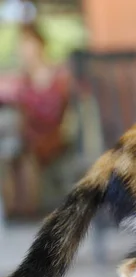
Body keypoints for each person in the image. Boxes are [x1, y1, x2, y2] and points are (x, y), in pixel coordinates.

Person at [0, 23, 71, 218]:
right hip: (27, 134)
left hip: (50, 134)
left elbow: (58, 109)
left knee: (21, 149)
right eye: (22, 45)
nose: (24, 50)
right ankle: (13, 211)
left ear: (40, 44)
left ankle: (28, 210)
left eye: (28, 44)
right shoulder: (23, 78)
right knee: (10, 148)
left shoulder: (59, 74)